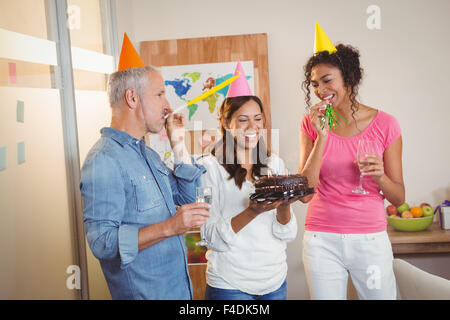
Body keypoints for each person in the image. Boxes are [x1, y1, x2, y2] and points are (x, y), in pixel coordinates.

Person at [79, 33, 210, 300]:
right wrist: (170, 227)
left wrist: (178, 145)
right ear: (132, 98)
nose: (167, 106)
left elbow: (188, 197)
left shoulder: (147, 154)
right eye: (160, 94)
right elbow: (102, 242)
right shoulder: (103, 160)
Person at [298, 23, 405, 300]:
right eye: (315, 84)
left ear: (349, 77)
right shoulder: (311, 124)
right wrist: (322, 136)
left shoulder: (386, 124)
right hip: (321, 238)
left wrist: (380, 176)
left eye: (327, 80)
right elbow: (305, 195)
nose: (320, 90)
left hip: (369, 238)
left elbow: (399, 198)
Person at [198, 62, 298, 300]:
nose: (253, 127)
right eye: (243, 120)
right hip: (230, 283)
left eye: (258, 119)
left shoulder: (275, 163)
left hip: (274, 280)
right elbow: (207, 237)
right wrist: (252, 212)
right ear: (226, 123)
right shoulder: (207, 168)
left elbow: (286, 234)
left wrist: (285, 204)